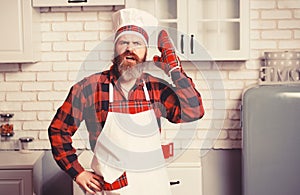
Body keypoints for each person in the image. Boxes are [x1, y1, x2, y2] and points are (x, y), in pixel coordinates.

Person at [48, 8, 204, 195]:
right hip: (112, 189)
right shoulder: (90, 87)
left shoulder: (156, 88)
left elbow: (194, 111)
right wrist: (78, 173)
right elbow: (58, 130)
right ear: (114, 48)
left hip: (153, 187)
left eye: (137, 43)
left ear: (146, 52)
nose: (130, 49)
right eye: (123, 42)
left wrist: (175, 70)